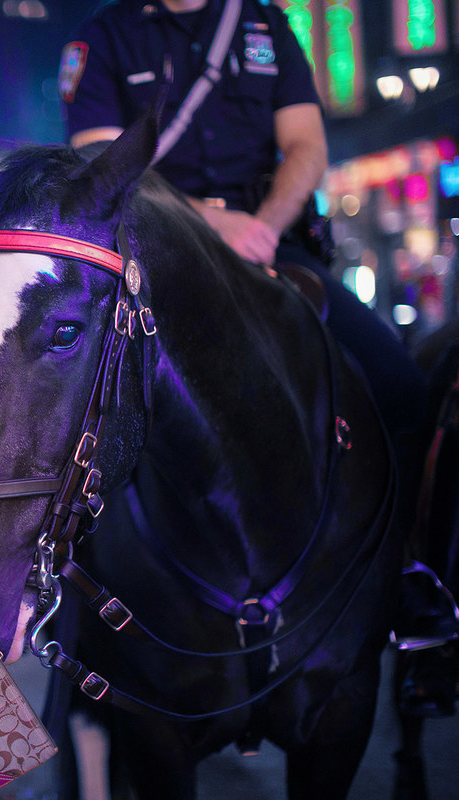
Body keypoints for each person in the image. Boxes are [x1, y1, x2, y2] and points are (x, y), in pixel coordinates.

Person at [59, 0, 456, 699]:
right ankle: (73, 597)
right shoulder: (104, 38)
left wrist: (264, 227)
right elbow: (101, 165)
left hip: (275, 247)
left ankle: (410, 580)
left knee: (398, 386)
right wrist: (212, 222)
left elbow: (306, 145)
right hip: (160, 260)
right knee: (85, 406)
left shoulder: (267, 24)